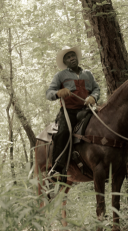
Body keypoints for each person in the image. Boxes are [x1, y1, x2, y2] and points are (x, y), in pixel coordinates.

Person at [46, 46, 100, 183]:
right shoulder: (60, 75)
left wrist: (93, 97)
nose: (72, 58)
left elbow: (96, 88)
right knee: (63, 132)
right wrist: (58, 93)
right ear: (65, 62)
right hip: (68, 111)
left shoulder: (88, 74)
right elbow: (49, 93)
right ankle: (57, 169)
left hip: (86, 110)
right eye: (68, 57)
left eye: (73, 56)